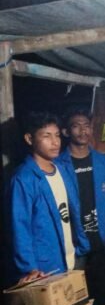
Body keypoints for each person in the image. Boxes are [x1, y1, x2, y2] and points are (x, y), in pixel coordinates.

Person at [9, 111, 89, 283]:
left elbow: (73, 211)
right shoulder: (24, 178)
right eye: (47, 136)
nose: (55, 142)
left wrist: (81, 245)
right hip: (45, 268)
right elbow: (19, 227)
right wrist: (29, 268)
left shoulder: (63, 169)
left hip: (73, 258)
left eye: (57, 135)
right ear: (29, 139)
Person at [58, 109, 105, 305]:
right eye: (76, 126)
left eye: (87, 126)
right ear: (66, 131)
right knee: (74, 299)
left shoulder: (104, 163)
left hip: (101, 240)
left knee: (104, 294)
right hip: (74, 244)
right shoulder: (58, 165)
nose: (83, 131)